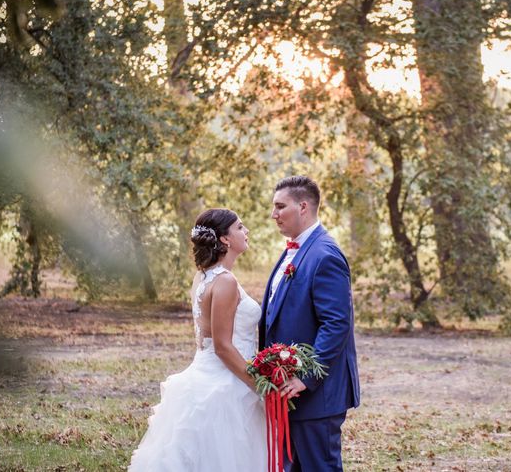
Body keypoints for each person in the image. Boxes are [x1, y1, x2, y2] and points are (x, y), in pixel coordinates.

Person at [129, 208, 266, 472]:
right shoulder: (225, 281)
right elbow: (222, 346)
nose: (245, 231)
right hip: (228, 382)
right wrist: (259, 386)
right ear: (225, 239)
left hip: (206, 372)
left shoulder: (204, 276)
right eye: (240, 227)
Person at [260, 176, 361, 472]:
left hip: (317, 395)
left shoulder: (324, 254)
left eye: (280, 206)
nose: (273, 214)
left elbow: (336, 324)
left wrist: (306, 377)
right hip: (290, 393)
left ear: (303, 207)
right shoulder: (295, 250)